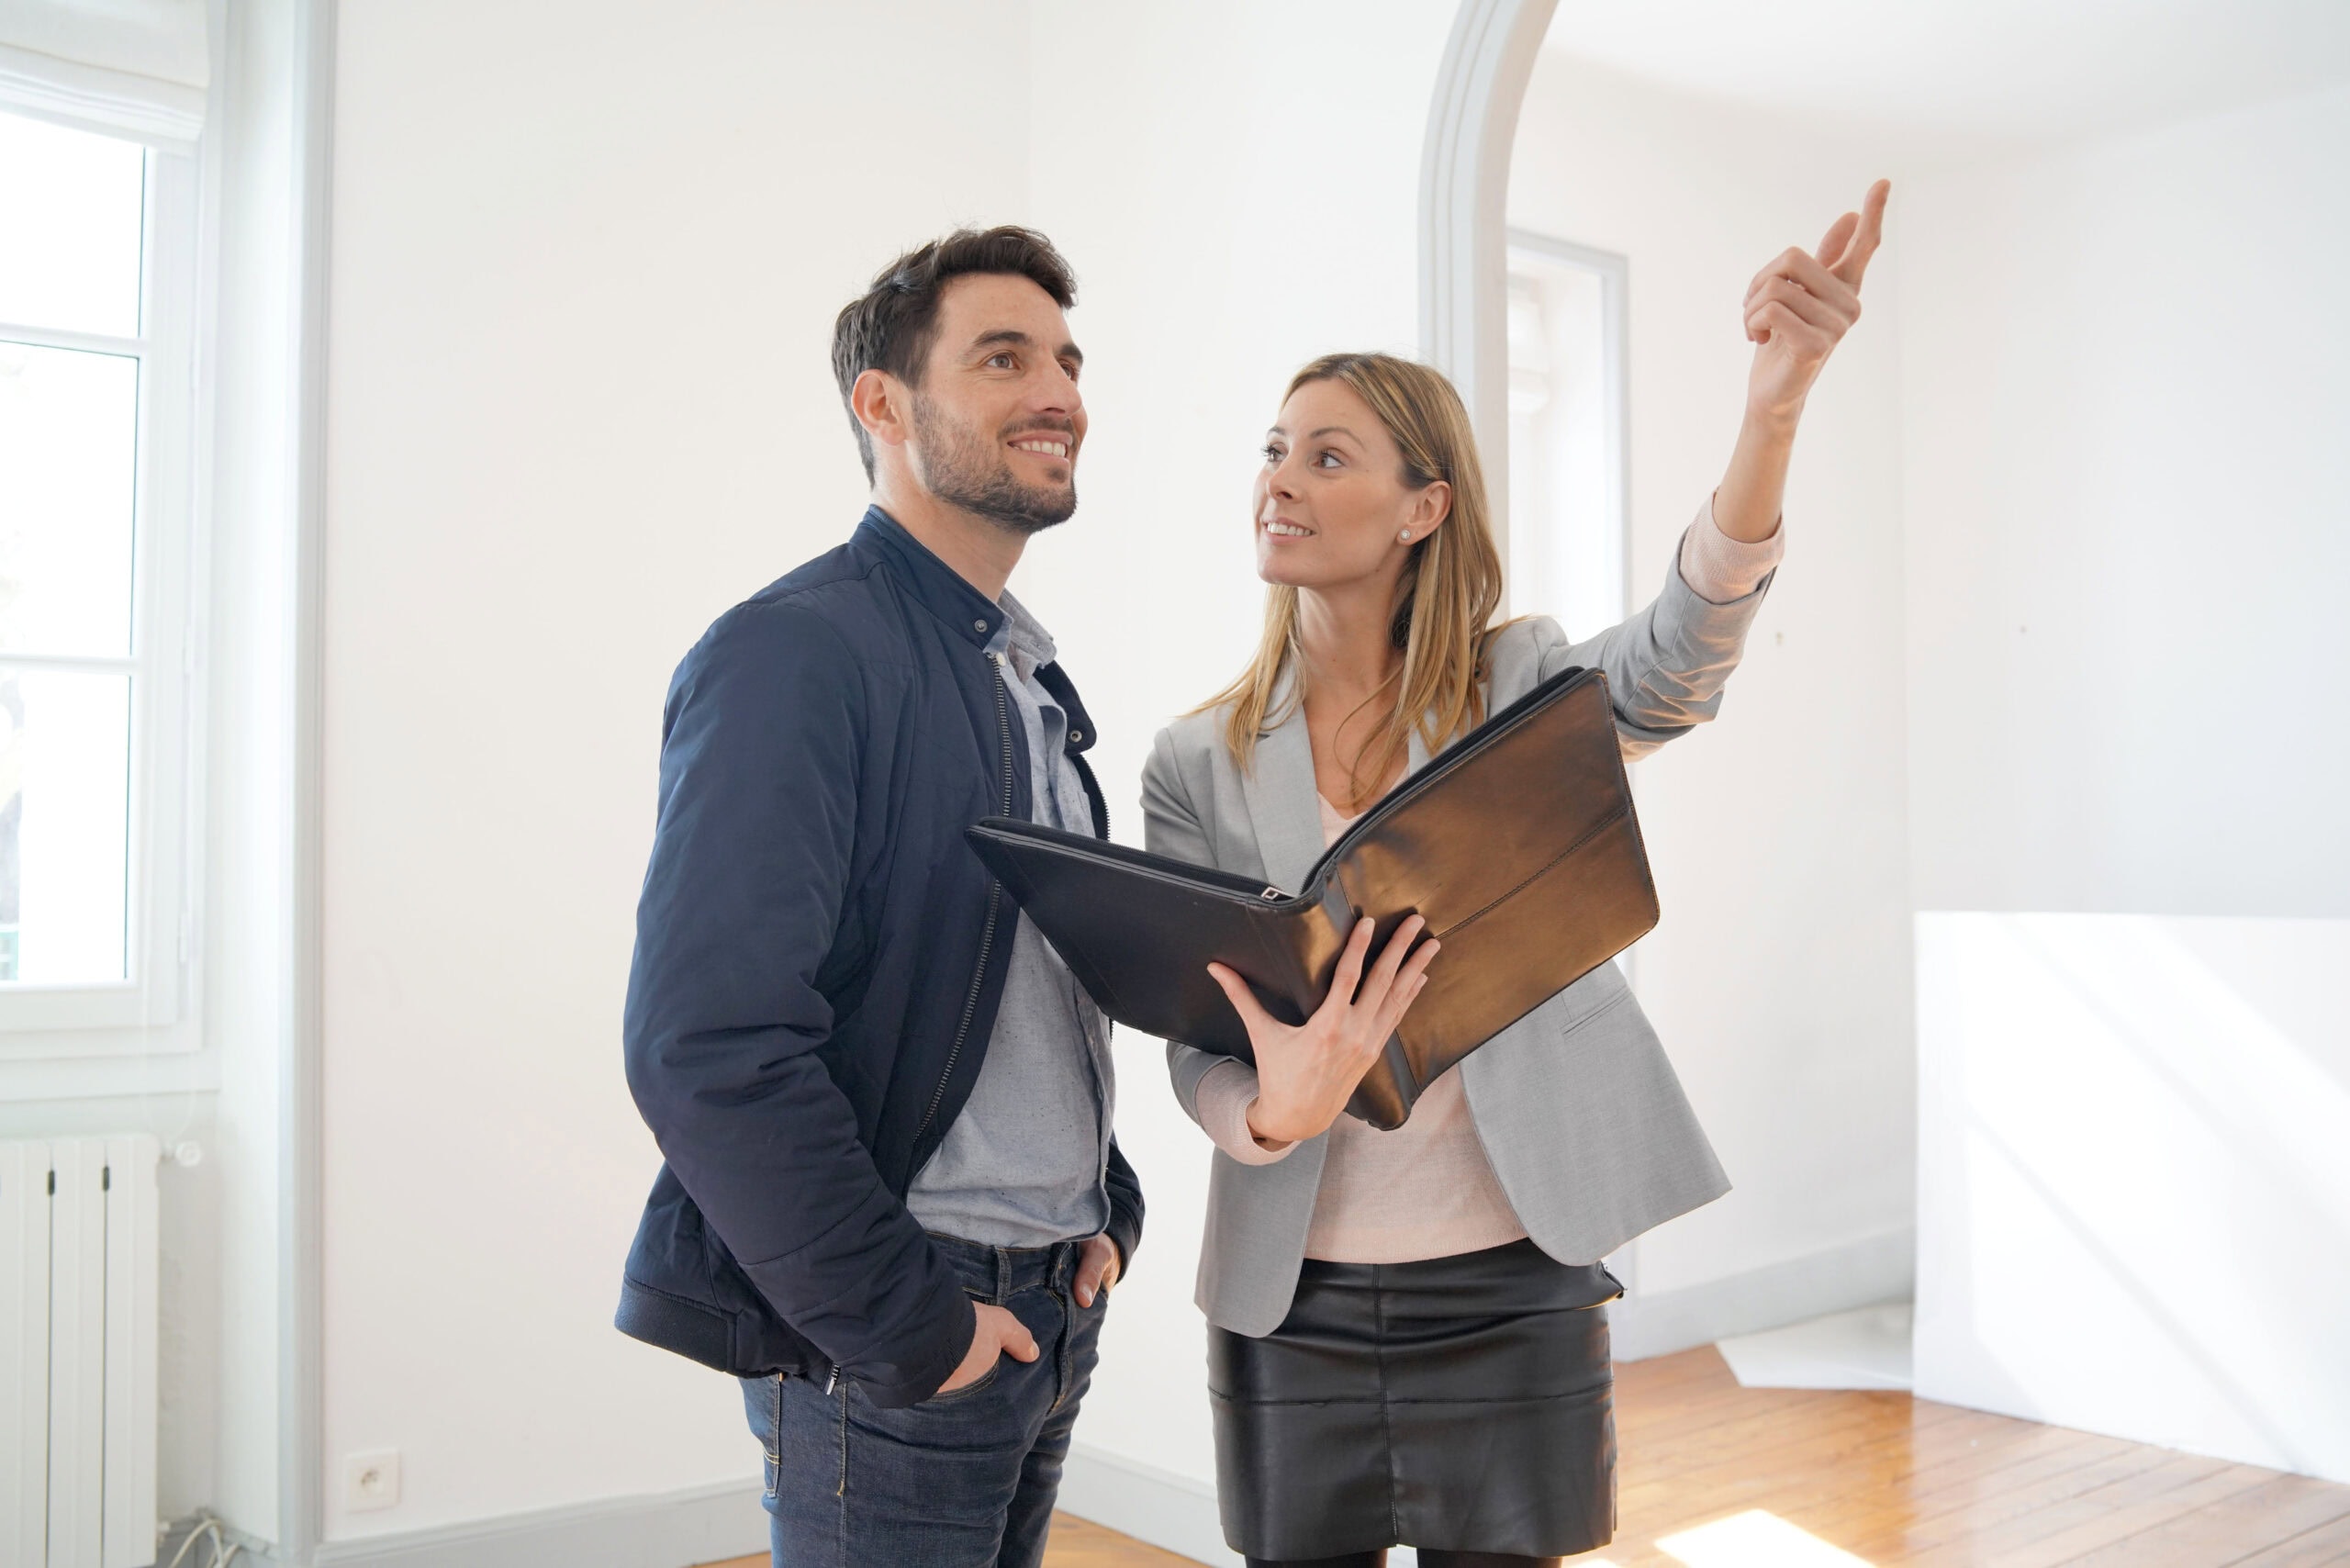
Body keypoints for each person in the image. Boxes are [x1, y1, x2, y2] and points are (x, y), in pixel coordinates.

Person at [1141, 183, 1889, 1568]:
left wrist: (1773, 408)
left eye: (1327, 456)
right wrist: (1264, 1113)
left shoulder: (1515, 685)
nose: (1279, 481)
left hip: (1513, 1279)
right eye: (1274, 450)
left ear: (1423, 507)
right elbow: (1193, 1036)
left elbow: (1676, 663)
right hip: (1290, 1298)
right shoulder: (1196, 761)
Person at [618, 226, 1139, 1568]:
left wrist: (1103, 1206)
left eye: (1068, 361)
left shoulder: (1024, 677)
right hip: (906, 1330)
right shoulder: (794, 652)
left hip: (1047, 1306)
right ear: (883, 405)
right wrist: (914, 1323)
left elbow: (1017, 993)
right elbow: (707, 1045)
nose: (1059, 393)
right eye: (1004, 358)